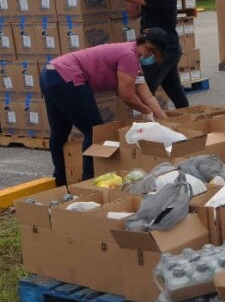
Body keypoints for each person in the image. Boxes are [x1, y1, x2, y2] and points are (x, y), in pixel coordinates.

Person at [39, 29, 169, 186]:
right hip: (68, 77)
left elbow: (147, 96)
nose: (149, 55)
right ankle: (88, 182)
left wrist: (164, 120)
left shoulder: (132, 58)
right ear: (142, 42)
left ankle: (61, 182)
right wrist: (147, 112)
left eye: (154, 53)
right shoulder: (129, 56)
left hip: (51, 73)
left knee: (59, 133)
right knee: (95, 132)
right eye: (149, 49)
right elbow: (127, 96)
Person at [122, 0, 189, 109]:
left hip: (161, 50)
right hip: (167, 48)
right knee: (175, 92)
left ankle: (148, 127)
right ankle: (190, 121)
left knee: (145, 90)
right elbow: (133, 13)